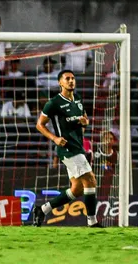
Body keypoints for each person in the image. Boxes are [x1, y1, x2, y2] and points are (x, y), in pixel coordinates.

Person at [31, 69, 103, 228]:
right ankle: (92, 222)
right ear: (60, 82)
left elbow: (84, 120)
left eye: (73, 78)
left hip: (78, 146)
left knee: (77, 189)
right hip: (68, 149)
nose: (71, 81)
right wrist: (55, 138)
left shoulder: (78, 99)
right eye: (67, 78)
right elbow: (39, 124)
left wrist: (86, 123)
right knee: (90, 180)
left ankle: (42, 209)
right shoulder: (54, 103)